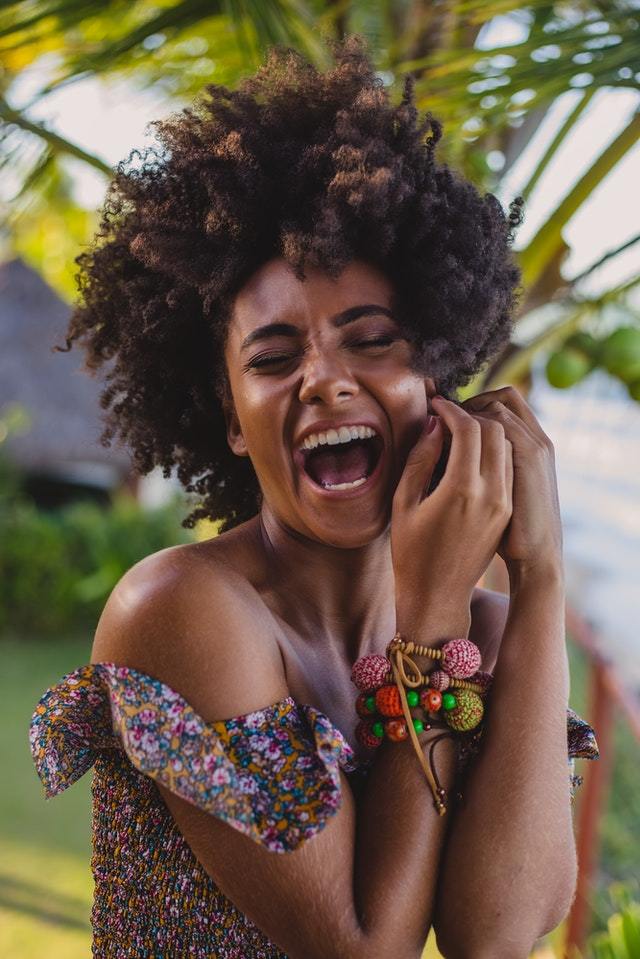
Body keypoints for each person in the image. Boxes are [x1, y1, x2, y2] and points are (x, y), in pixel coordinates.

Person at [29, 35, 598, 959]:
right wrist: (433, 618)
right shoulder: (184, 613)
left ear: (439, 376)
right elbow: (362, 949)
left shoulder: (493, 637)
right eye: (274, 356)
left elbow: (494, 936)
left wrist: (539, 581)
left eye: (371, 340)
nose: (324, 381)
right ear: (228, 414)